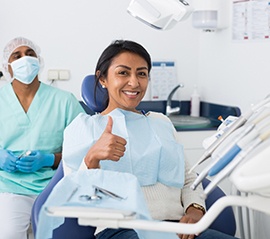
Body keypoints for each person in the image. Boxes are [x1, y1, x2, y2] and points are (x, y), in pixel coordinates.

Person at [60, 40, 240, 239]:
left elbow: (188, 178)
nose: (134, 82)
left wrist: (195, 209)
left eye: (142, 73)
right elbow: (74, 199)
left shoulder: (161, 122)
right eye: (123, 72)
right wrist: (92, 159)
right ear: (102, 79)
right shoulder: (82, 129)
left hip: (177, 228)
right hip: (121, 230)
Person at [0, 36, 85, 239]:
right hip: (10, 187)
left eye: (30, 54)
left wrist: (51, 159)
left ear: (39, 61)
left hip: (55, 184)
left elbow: (85, 149)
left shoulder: (64, 101)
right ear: (7, 66)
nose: (25, 59)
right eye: (17, 55)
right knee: (8, 233)